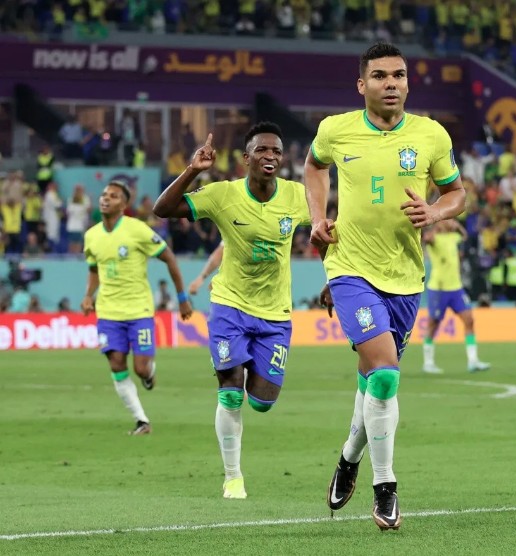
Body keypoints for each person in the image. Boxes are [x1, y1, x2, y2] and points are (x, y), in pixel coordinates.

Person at [304, 42, 466, 531]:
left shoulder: (431, 135)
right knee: (387, 375)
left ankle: (349, 457)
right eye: (379, 76)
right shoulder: (335, 130)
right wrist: (317, 217)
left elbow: (457, 193)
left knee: (374, 380)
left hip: (405, 276)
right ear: (362, 85)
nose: (391, 83)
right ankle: (385, 487)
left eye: (398, 75)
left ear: (407, 83)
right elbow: (314, 166)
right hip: (349, 268)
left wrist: (433, 212)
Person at [153, 122, 310, 500]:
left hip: (275, 313)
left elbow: (334, 227)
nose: (270, 156)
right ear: (246, 158)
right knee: (231, 393)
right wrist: (193, 170)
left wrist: (334, 278)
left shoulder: (297, 196)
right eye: (262, 150)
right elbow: (163, 209)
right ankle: (233, 477)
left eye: (276, 151)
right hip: (230, 305)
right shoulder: (223, 194)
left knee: (262, 402)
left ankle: (241, 368)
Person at [82, 180, 193, 435]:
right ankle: (142, 421)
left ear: (124, 204)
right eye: (104, 194)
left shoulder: (138, 230)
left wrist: (182, 297)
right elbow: (94, 269)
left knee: (140, 369)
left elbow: (169, 257)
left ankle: (149, 373)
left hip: (138, 310)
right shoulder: (91, 236)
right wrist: (88, 295)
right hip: (108, 312)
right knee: (116, 365)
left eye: (113, 196)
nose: (106, 198)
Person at [421, 218, 490, 374]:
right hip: (439, 288)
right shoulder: (434, 237)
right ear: (440, 222)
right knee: (433, 324)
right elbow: (426, 239)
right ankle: (428, 362)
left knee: (469, 320)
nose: (451, 222)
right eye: (448, 220)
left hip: (456, 288)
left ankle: (473, 361)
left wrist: (458, 227)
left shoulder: (453, 236)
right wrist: (436, 227)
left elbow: (465, 236)